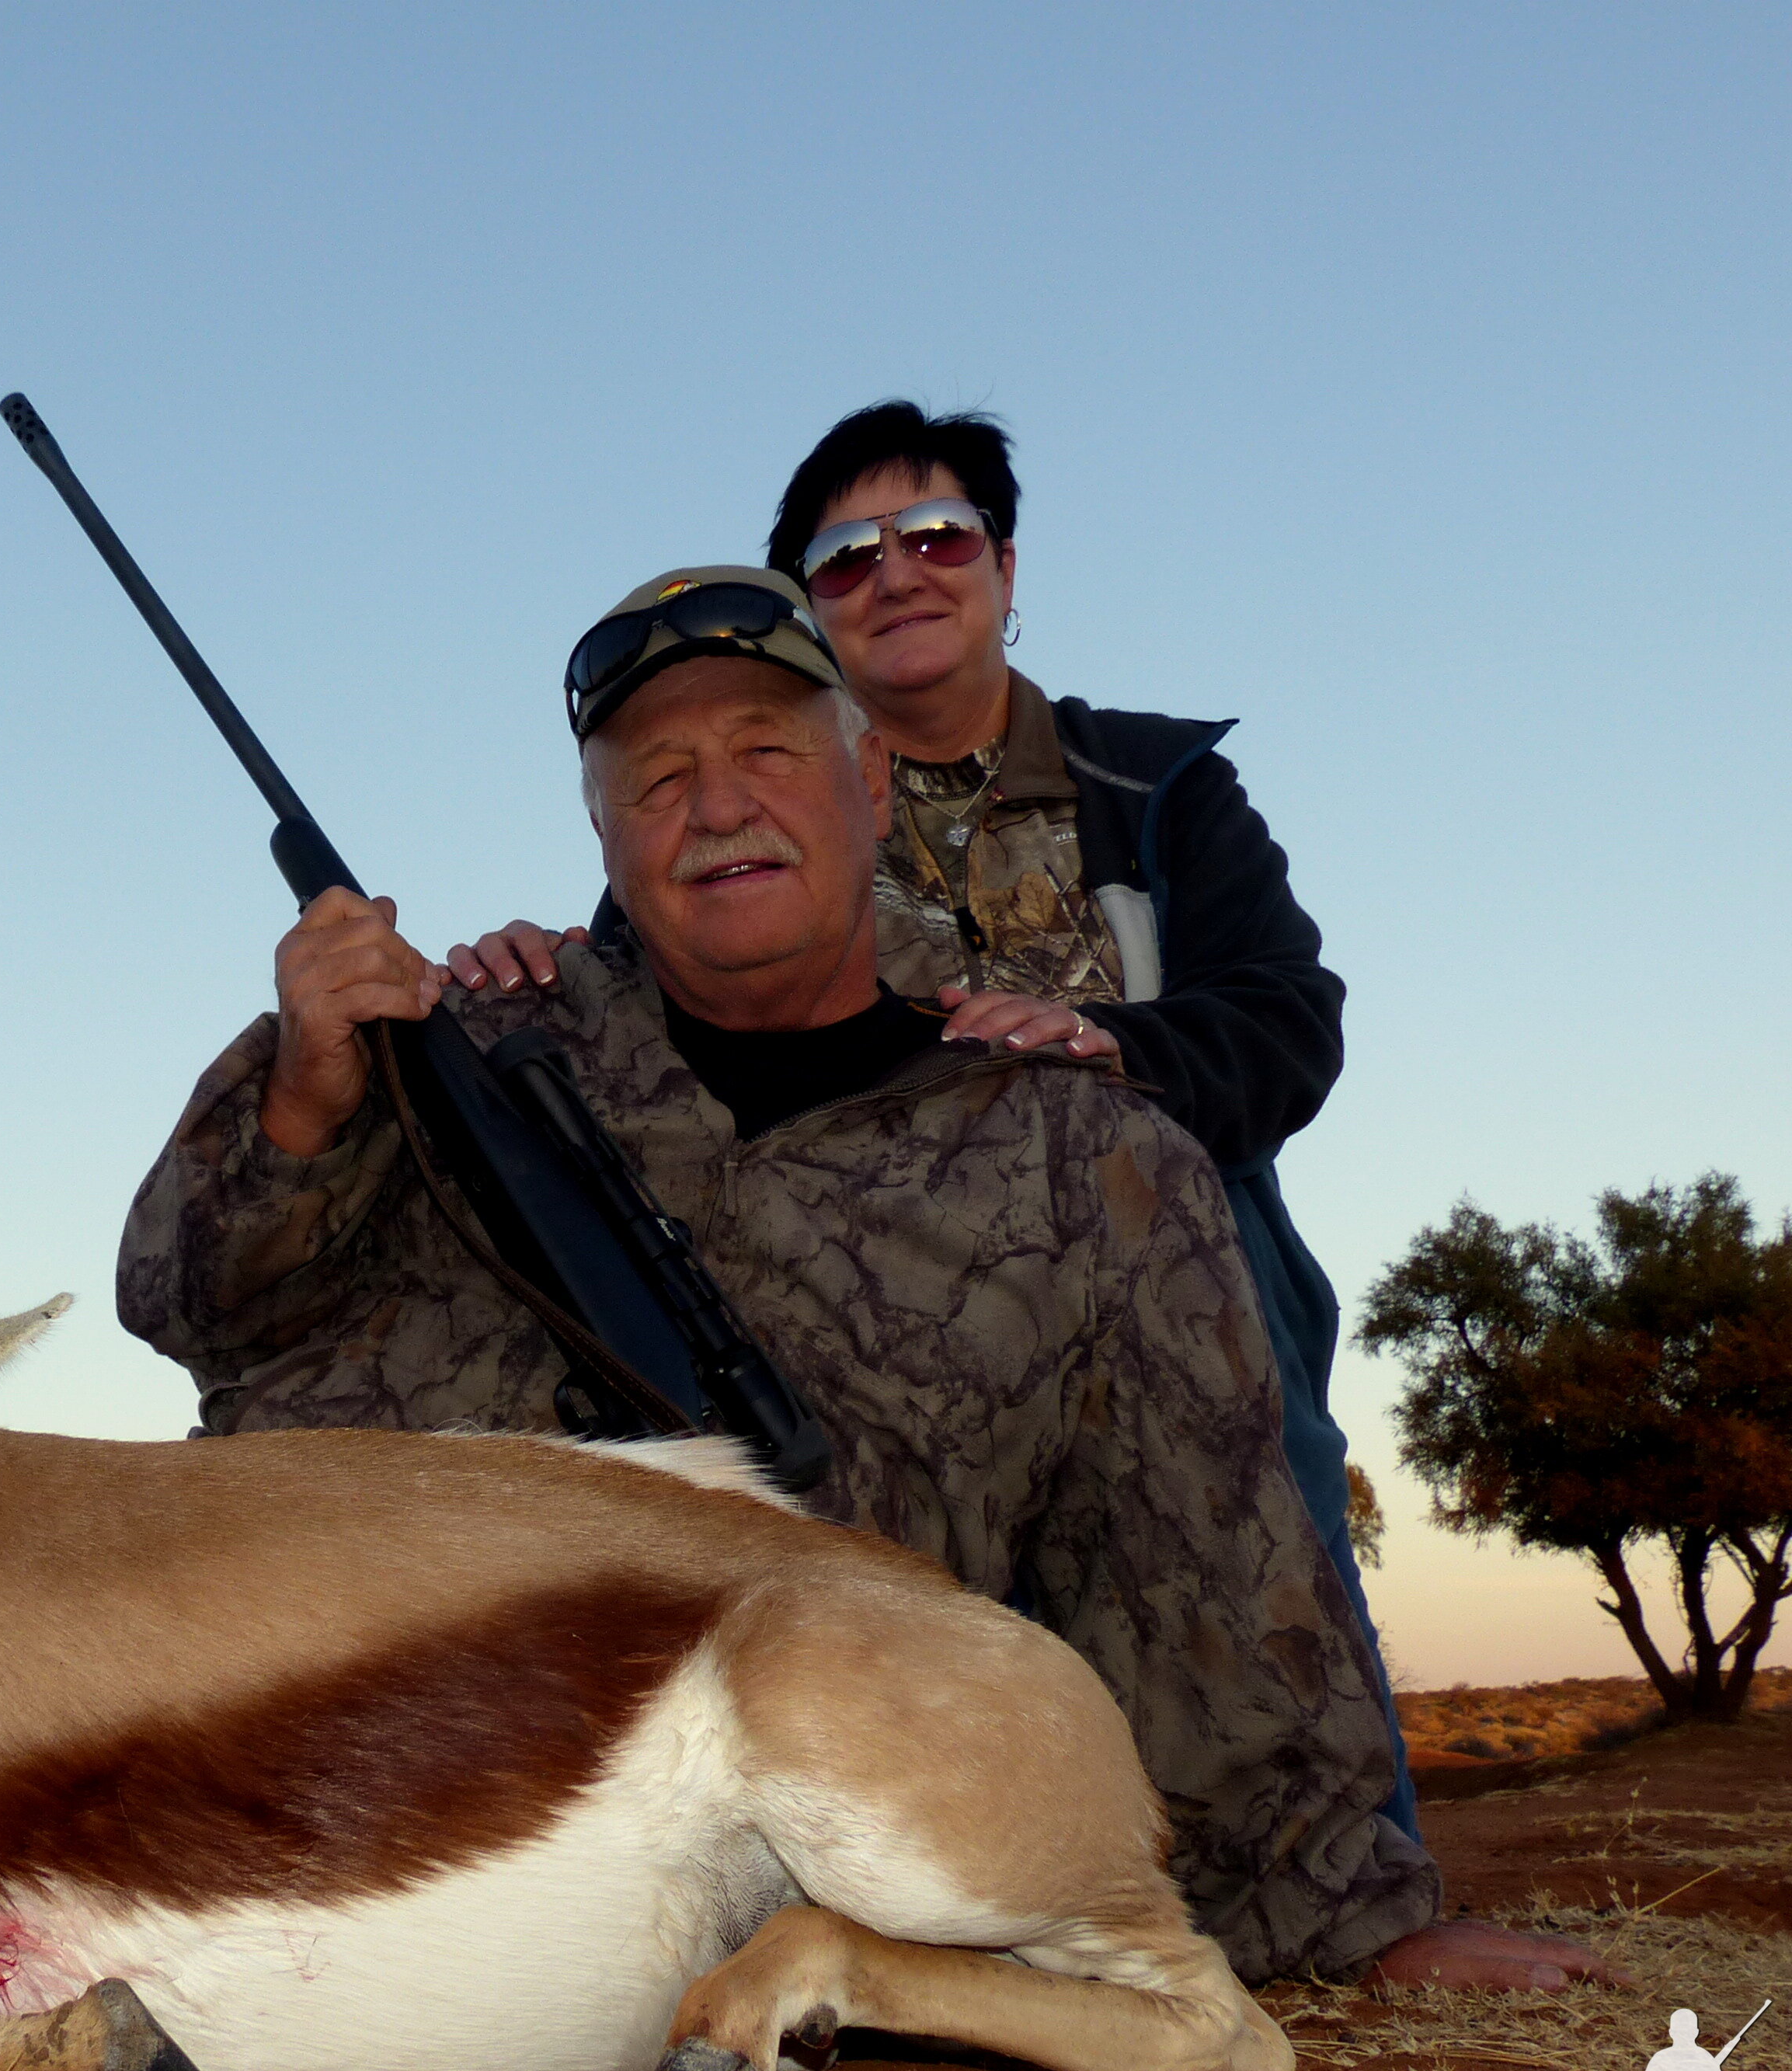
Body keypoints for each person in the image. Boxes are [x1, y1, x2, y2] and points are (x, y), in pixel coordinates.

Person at [120, 565, 1599, 1993]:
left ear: (873, 785)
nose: (716, 806)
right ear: (605, 836)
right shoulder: (456, 1054)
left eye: (769, 748)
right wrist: (306, 1098)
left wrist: (1340, 1916)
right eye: (654, 778)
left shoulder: (1080, 1154)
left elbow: (1201, 1562)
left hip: (841, 1842)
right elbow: (191, 1309)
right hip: (365, 1835)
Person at [452, 404, 1411, 1836]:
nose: (895, 572)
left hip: (1166, 1256)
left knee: (1267, 1480)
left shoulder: (1158, 785)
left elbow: (1288, 1017)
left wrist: (1114, 1052)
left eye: (936, 537)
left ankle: (1349, 1869)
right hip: (866, 1297)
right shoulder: (732, 812)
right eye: (843, 560)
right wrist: (529, 975)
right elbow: (637, 1024)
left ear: (1007, 571)